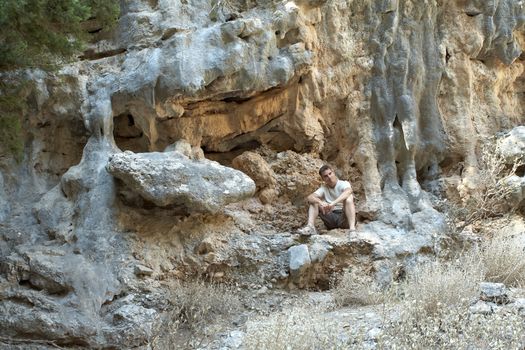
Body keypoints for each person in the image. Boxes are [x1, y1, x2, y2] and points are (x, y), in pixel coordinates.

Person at [298, 164, 356, 236]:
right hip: (330, 217)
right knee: (314, 201)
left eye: (330, 173)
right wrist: (321, 202)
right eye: (325, 176)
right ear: (323, 179)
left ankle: (352, 230)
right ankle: (310, 227)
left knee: (349, 198)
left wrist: (333, 203)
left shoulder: (343, 184)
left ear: (333, 172)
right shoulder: (324, 188)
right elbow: (310, 197)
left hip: (344, 217)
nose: (329, 177)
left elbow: (349, 191)